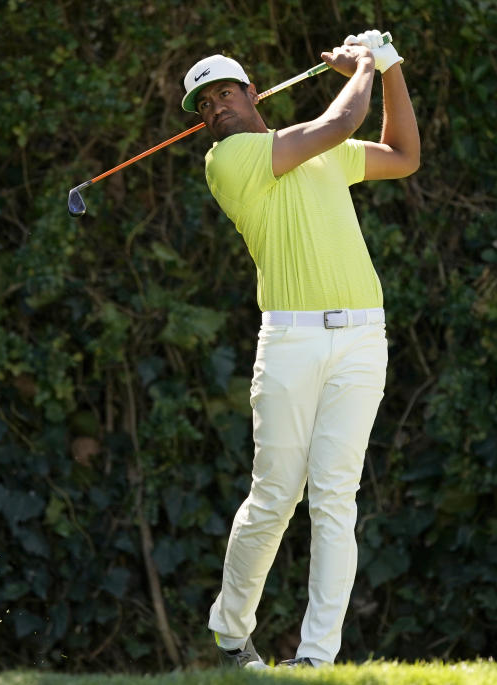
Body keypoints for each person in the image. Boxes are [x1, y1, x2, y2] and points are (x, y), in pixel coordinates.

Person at [181, 30, 421, 669]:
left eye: (224, 91)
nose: (215, 107)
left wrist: (390, 69)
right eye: (203, 105)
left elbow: (403, 154)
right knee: (276, 493)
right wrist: (366, 62)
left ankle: (316, 660)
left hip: (364, 337)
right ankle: (232, 635)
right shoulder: (230, 160)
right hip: (290, 340)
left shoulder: (320, 155)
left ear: (252, 91)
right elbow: (344, 116)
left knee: (336, 498)